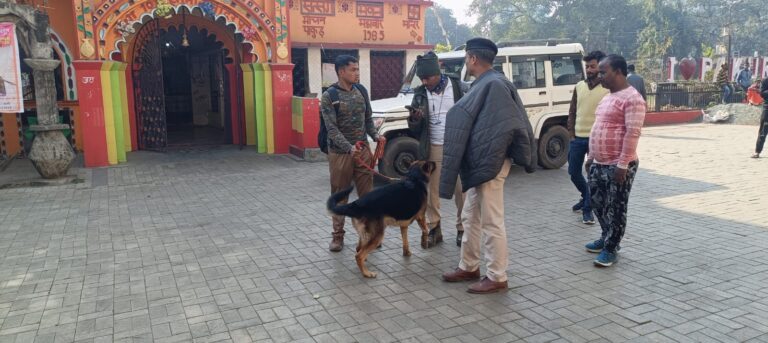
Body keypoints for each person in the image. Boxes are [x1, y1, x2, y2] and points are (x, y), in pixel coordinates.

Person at [439, 38, 536, 294]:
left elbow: (504, 128)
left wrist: (486, 159)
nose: (466, 62)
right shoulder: (486, 83)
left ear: (473, 58)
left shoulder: (494, 85)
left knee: (492, 221)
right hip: (479, 163)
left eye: (466, 58)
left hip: (490, 164)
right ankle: (469, 266)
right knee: (470, 216)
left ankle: (497, 276)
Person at [584, 54, 646, 267]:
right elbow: (598, 128)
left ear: (618, 72)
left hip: (618, 165)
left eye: (603, 72)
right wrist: (591, 157)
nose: (599, 76)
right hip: (599, 163)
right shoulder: (607, 97)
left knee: (616, 207)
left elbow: (632, 133)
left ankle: (611, 248)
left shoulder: (633, 98)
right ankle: (606, 236)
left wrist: (623, 164)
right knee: (597, 203)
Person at [321, 55, 386, 252]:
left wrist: (375, 135)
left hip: (363, 151)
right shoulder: (329, 96)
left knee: (367, 196)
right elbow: (332, 129)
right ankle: (338, 236)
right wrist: (349, 148)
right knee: (340, 195)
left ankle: (368, 235)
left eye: (358, 69)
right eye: (353, 70)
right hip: (340, 154)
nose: (357, 73)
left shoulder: (361, 91)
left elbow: (368, 119)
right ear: (341, 72)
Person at [407, 51, 466, 247]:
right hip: (433, 147)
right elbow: (415, 129)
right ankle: (435, 229)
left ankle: (462, 228)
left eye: (428, 77)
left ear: (438, 72)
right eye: (422, 78)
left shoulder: (457, 87)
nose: (425, 82)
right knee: (432, 192)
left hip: (457, 146)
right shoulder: (419, 94)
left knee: (462, 190)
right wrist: (415, 119)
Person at [566, 50, 609, 225]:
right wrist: (571, 134)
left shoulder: (607, 89)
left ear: (601, 66)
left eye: (592, 66)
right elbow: (572, 111)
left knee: (592, 176)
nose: (589, 70)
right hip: (577, 138)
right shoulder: (579, 86)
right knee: (573, 172)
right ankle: (586, 196)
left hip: (596, 140)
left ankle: (587, 209)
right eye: (587, 66)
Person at [752, 77, 768, 158]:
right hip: (767, 108)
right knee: (763, 132)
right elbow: (762, 93)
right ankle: (757, 151)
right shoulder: (765, 80)